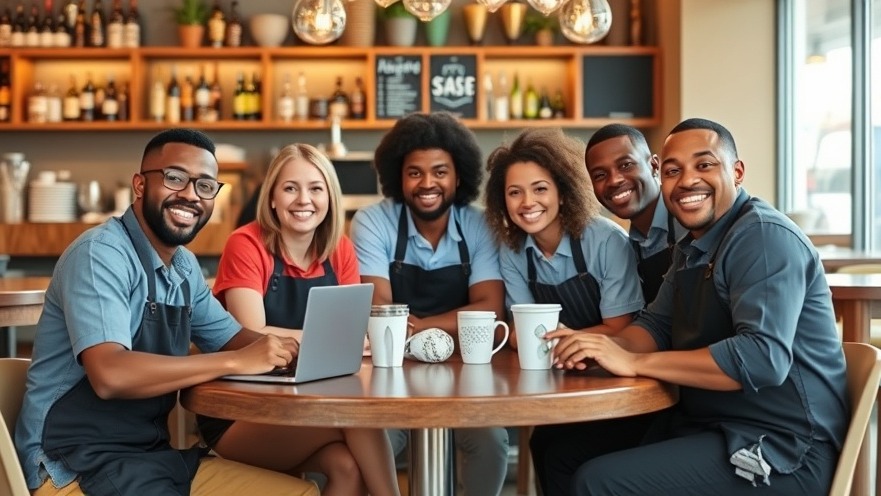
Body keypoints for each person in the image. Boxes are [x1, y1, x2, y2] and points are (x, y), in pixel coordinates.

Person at [549, 118, 848, 495]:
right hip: (715, 425)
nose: (688, 180)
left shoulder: (762, 236)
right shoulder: (694, 244)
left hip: (782, 448)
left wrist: (634, 362)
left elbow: (762, 358)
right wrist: (601, 348)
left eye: (704, 165)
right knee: (562, 452)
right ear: (662, 177)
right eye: (674, 170)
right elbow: (656, 325)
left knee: (597, 482)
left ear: (736, 172)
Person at [14, 129, 318, 496]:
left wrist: (302, 353)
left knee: (300, 492)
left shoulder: (184, 268)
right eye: (175, 178)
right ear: (140, 185)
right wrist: (235, 362)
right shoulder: (100, 254)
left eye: (205, 185)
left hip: (148, 457)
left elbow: (233, 339)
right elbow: (110, 374)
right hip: (72, 465)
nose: (191, 194)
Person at [200, 144, 400, 496]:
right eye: (290, 188)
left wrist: (346, 338)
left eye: (315, 188)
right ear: (273, 197)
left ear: (330, 198)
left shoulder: (339, 248)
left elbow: (348, 334)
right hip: (243, 411)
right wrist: (330, 338)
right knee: (359, 418)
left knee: (348, 467)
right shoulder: (245, 244)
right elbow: (251, 333)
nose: (303, 199)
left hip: (309, 397)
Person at [350, 111, 509, 495]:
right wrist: (449, 322)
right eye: (414, 172)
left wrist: (417, 327)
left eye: (440, 171)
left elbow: (490, 309)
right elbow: (380, 311)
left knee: (492, 442)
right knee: (370, 449)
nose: (427, 183)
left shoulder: (480, 224)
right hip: (390, 377)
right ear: (397, 177)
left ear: (459, 176)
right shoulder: (373, 222)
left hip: (467, 375)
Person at [482, 128, 645, 495]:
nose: (527, 202)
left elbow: (621, 328)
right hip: (559, 378)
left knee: (566, 455)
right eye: (514, 192)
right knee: (544, 444)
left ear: (563, 189)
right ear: (501, 201)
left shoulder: (604, 240)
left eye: (540, 188)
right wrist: (548, 341)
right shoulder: (513, 250)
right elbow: (519, 326)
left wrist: (550, 340)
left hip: (612, 380)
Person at [585, 123, 687, 302]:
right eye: (600, 175)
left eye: (625, 165)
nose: (614, 180)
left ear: (655, 166)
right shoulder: (627, 245)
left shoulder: (690, 222)